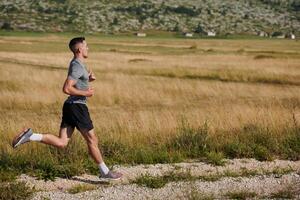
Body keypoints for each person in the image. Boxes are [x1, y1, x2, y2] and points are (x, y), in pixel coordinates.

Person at [12, 37, 122, 180]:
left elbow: (76, 82)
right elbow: (67, 88)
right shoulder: (77, 65)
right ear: (79, 49)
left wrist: (87, 79)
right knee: (92, 139)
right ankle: (105, 172)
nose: (88, 48)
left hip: (71, 106)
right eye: (86, 46)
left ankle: (31, 136)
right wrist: (86, 93)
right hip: (77, 107)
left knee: (62, 142)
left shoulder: (78, 65)